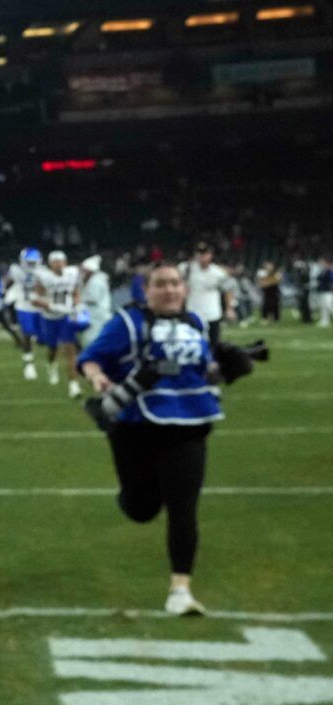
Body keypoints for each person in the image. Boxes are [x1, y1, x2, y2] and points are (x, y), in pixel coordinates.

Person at [77, 263, 227, 616]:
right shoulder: (127, 324)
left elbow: (203, 371)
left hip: (189, 423)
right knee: (142, 508)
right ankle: (134, 498)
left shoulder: (196, 324)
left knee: (183, 506)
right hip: (135, 427)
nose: (170, 290)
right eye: (161, 284)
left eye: (176, 283)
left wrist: (230, 367)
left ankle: (180, 590)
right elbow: (91, 358)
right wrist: (98, 378)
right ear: (146, 290)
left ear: (185, 289)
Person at [35, 250, 83, 395]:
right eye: (55, 262)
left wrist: (77, 306)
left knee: (70, 349)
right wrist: (52, 306)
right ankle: (52, 365)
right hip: (50, 317)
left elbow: (75, 293)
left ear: (65, 262)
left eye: (61, 261)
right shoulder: (43, 277)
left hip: (66, 317)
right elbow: (35, 299)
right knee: (52, 348)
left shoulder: (72, 274)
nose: (58, 265)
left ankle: (73, 385)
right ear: (50, 264)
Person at [179, 242, 234, 347]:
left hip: (212, 313)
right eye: (199, 253)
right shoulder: (186, 269)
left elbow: (228, 290)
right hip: (193, 312)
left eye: (205, 253)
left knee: (213, 344)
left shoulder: (218, 272)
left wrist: (229, 308)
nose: (202, 256)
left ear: (211, 255)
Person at [4, 246, 45, 381]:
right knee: (26, 333)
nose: (31, 265)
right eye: (29, 262)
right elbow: (7, 282)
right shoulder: (15, 270)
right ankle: (28, 363)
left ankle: (48, 363)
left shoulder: (44, 272)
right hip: (23, 305)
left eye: (33, 262)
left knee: (42, 338)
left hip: (39, 306)